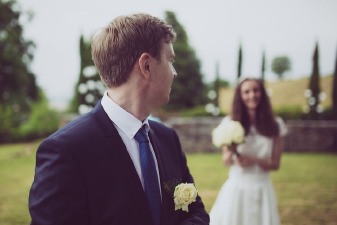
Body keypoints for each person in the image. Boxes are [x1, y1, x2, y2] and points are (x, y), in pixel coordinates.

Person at [29, 13, 209, 225]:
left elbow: (196, 212)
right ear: (146, 66)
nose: (175, 73)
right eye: (170, 60)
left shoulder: (168, 139)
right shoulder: (66, 150)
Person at [209, 78, 287, 225]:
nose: (252, 95)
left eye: (256, 90)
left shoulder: (276, 124)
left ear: (262, 93)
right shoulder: (230, 123)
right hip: (237, 189)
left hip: (262, 187)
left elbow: (276, 164)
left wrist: (254, 160)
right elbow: (225, 161)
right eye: (246, 91)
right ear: (240, 96)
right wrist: (231, 152)